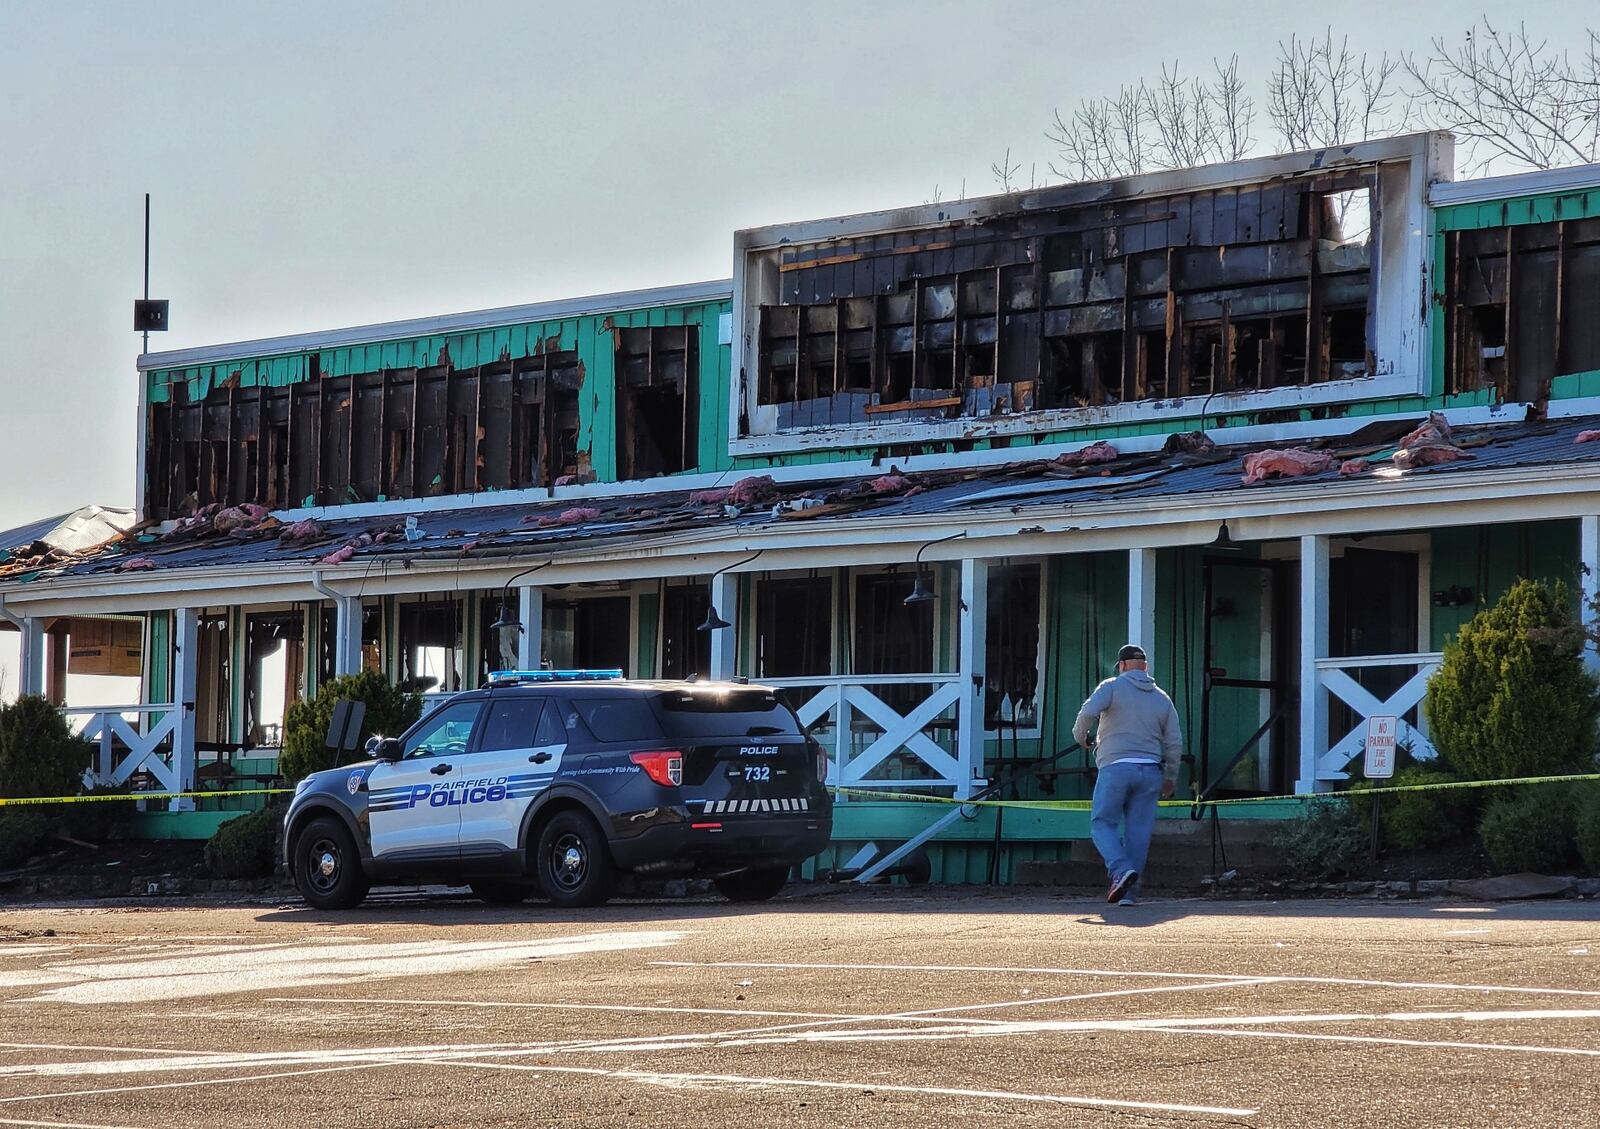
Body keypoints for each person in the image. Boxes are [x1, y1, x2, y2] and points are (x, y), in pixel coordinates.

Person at [1072, 644, 1182, 905]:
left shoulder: (1111, 687)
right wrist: (1171, 776)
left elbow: (1087, 713)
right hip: (1150, 771)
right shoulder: (1161, 698)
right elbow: (1175, 742)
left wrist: (1081, 738)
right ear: (1145, 667)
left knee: (1102, 824)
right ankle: (1128, 895)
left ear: (1121, 666)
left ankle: (1121, 870)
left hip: (1116, 767)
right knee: (1139, 832)